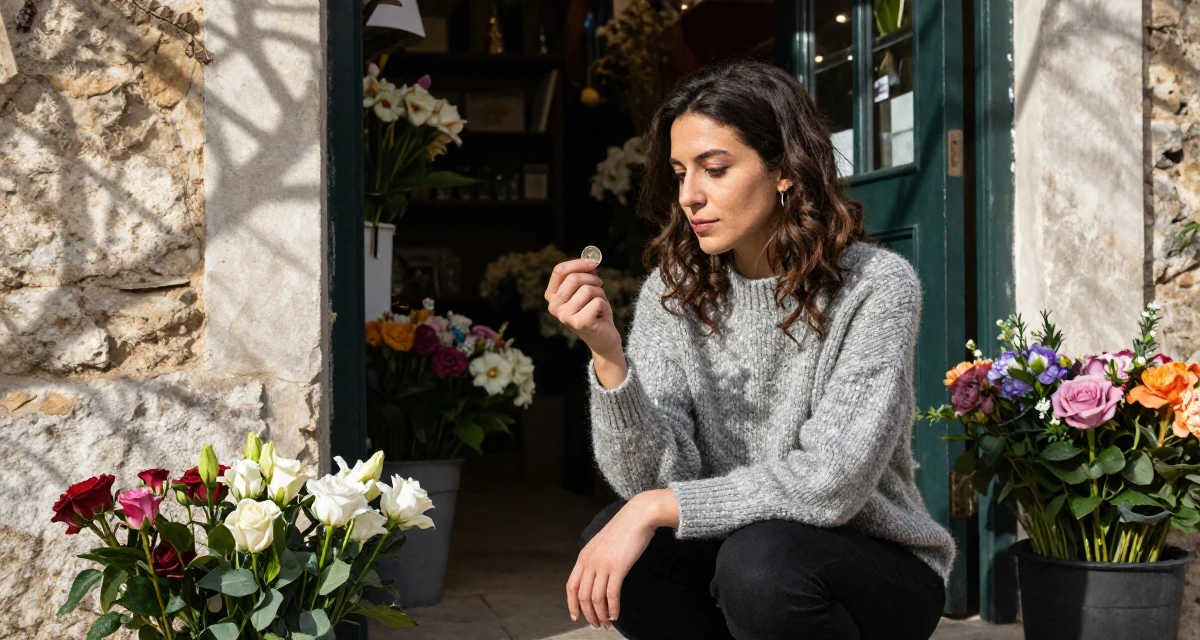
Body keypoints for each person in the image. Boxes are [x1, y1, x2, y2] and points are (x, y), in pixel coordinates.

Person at [542, 59, 956, 640]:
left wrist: (657, 508)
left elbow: (830, 482)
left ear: (784, 169)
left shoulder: (875, 287)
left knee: (760, 567)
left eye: (714, 169)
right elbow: (652, 477)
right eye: (680, 172)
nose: (689, 195)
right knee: (620, 544)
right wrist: (609, 358)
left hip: (869, 561)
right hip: (739, 554)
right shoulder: (676, 288)